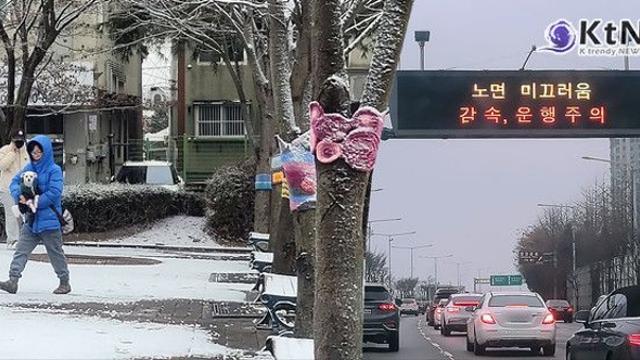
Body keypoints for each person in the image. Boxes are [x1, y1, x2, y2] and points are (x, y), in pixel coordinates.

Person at [0, 135, 70, 295]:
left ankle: (64, 282)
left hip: (50, 222)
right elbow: (14, 183)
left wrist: (35, 202)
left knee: (55, 253)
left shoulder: (55, 170)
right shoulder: (28, 168)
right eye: (33, 152)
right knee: (21, 250)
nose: (36, 154)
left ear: (46, 152)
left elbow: (54, 193)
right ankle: (13, 280)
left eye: (39, 152)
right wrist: (20, 197)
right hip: (31, 221)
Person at [0, 130, 29, 249]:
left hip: (23, 189)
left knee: (24, 214)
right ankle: (12, 240)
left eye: (21, 140)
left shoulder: (27, 152)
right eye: (16, 140)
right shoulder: (5, 150)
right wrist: (12, 153)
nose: (19, 142)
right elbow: (2, 165)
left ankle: (25, 238)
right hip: (7, 188)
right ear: (12, 139)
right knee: (12, 214)